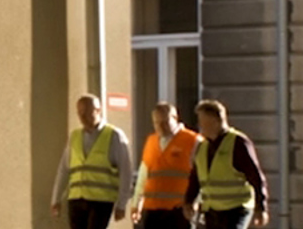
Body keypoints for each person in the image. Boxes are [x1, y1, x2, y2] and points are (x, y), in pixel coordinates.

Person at [51, 94, 135, 229]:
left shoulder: (114, 136)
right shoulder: (75, 136)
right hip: (76, 199)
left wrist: (121, 203)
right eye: (80, 113)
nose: (82, 117)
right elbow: (64, 169)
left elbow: (126, 172)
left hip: (101, 201)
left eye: (86, 112)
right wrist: (56, 198)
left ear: (98, 110)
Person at [182, 99, 270, 229]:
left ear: (215, 120)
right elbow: (196, 177)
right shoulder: (202, 147)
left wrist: (261, 207)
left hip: (236, 208)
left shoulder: (238, 143)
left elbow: (255, 176)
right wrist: (189, 201)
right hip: (212, 210)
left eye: (202, 120)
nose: (199, 125)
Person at [130, 102, 200, 229]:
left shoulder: (193, 141)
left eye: (164, 122)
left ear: (175, 118)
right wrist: (136, 203)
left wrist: (196, 203)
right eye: (156, 123)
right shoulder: (151, 141)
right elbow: (143, 176)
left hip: (179, 210)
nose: (160, 127)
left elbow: (202, 177)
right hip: (152, 210)